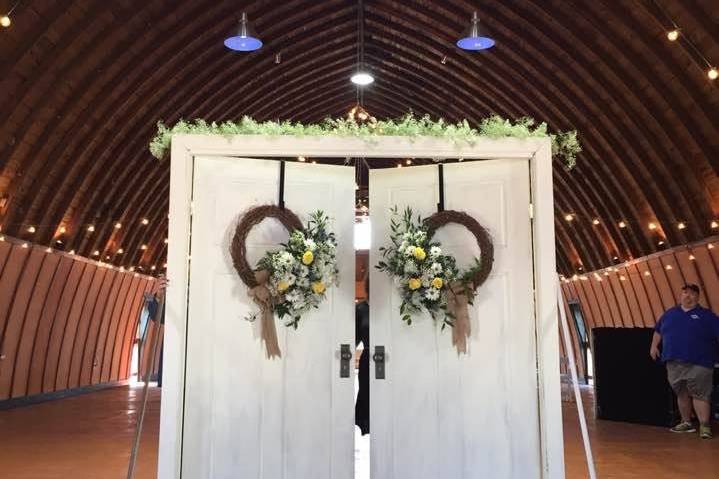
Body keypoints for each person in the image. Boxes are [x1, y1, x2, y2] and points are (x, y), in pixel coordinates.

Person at [650, 283, 719, 439]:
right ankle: (686, 422)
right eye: (684, 293)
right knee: (681, 393)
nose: (687, 296)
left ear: (697, 296)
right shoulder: (669, 314)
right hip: (674, 361)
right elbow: (658, 331)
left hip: (700, 362)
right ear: (680, 296)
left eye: (691, 293)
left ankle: (704, 426)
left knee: (700, 394)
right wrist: (653, 346)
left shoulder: (707, 316)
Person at [355, 274, 370, 435]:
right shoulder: (360, 308)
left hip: (388, 358)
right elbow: (352, 338)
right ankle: (365, 425)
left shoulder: (387, 306)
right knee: (366, 392)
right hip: (368, 359)